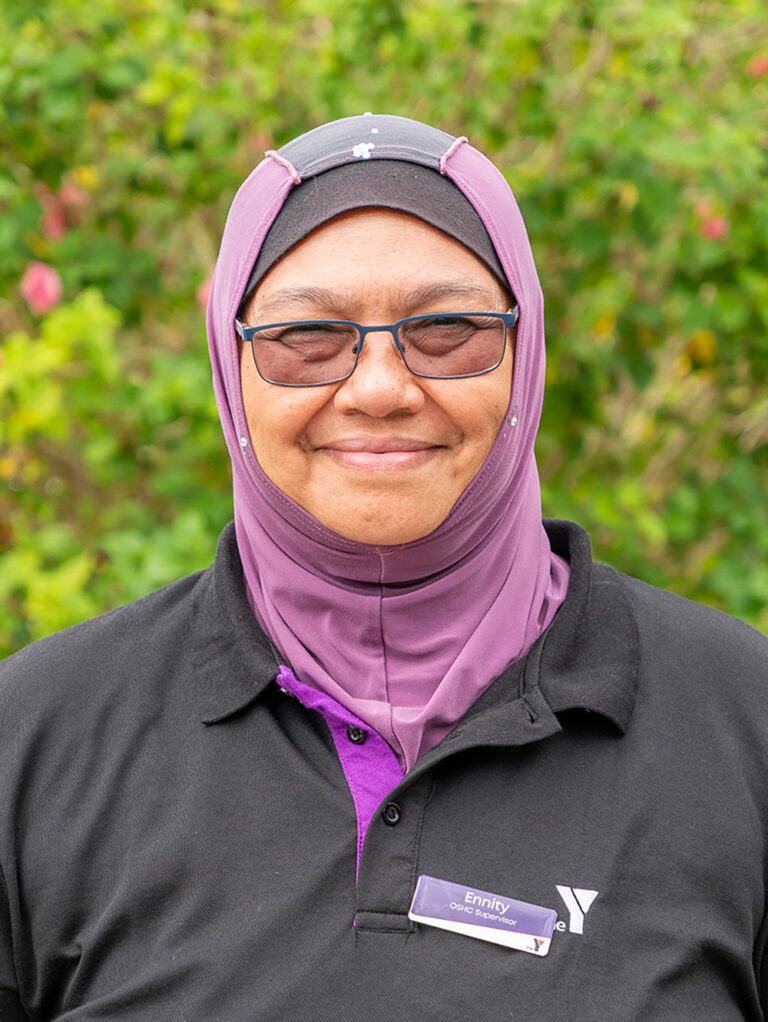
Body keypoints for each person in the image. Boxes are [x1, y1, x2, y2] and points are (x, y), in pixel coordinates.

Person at [0, 113, 766, 1021]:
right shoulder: (35, 739)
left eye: (448, 328)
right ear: (228, 366)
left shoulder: (744, 723)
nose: (379, 388)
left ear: (524, 356)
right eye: (305, 338)